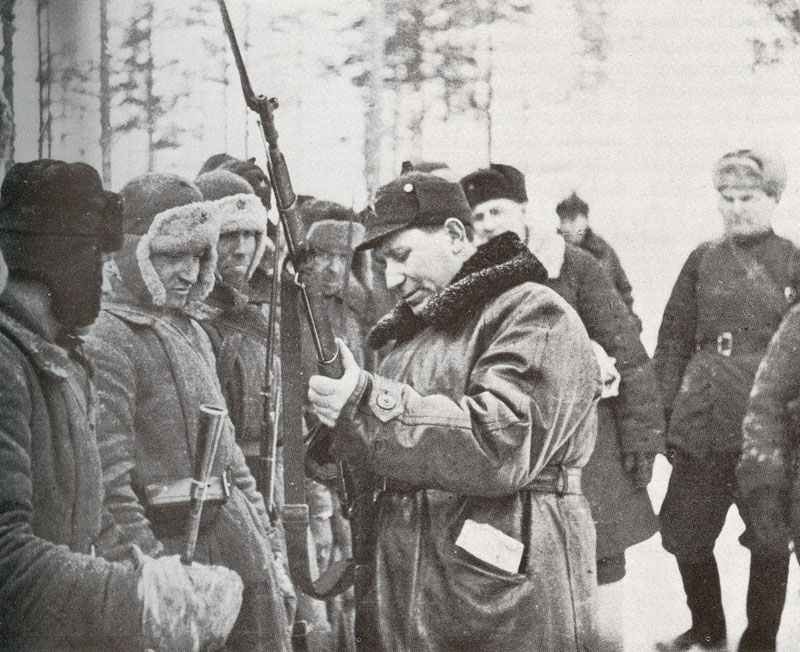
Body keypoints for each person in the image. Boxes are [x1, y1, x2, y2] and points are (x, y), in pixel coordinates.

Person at [307, 171, 601, 650]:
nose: (391, 279)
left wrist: (368, 403)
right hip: (421, 597)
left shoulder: (533, 312)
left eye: (401, 256)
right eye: (382, 264)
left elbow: (501, 443)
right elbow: (402, 447)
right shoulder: (410, 338)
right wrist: (338, 432)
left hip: (503, 601)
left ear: (455, 235)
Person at [0, 160, 242, 650]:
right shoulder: (9, 366)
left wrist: (155, 573)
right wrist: (141, 597)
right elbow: (7, 552)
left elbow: (96, 520)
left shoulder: (63, 360)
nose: (102, 272)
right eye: (94, 256)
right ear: (60, 258)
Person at [460, 163, 663, 651]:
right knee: (515, 561)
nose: (487, 222)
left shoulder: (574, 266)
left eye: (498, 210)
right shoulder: (472, 280)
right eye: (478, 214)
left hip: (588, 439)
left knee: (602, 554)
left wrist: (642, 436)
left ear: (524, 210)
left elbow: (626, 346)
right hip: (516, 443)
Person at [85, 172, 291, 651]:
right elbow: (108, 484)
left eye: (199, 256)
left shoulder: (194, 332)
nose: (189, 272)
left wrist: (268, 545)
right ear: (132, 253)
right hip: (175, 553)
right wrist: (158, 582)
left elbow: (232, 460)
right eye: (171, 255)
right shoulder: (106, 338)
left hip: (237, 550)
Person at [654, 148, 798, 651]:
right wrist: (664, 413)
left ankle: (760, 640)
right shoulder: (702, 260)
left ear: (773, 199)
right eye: (727, 197)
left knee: (770, 537)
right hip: (704, 419)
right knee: (686, 533)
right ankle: (708, 628)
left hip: (768, 431)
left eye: (749, 197)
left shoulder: (792, 262)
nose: (737, 208)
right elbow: (672, 338)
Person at [556, 191, 641, 329]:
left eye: (573, 220)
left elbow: (623, 290)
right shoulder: (553, 252)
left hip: (603, 328)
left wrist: (630, 323)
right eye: (564, 220)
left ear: (585, 220)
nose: (567, 227)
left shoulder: (603, 251)